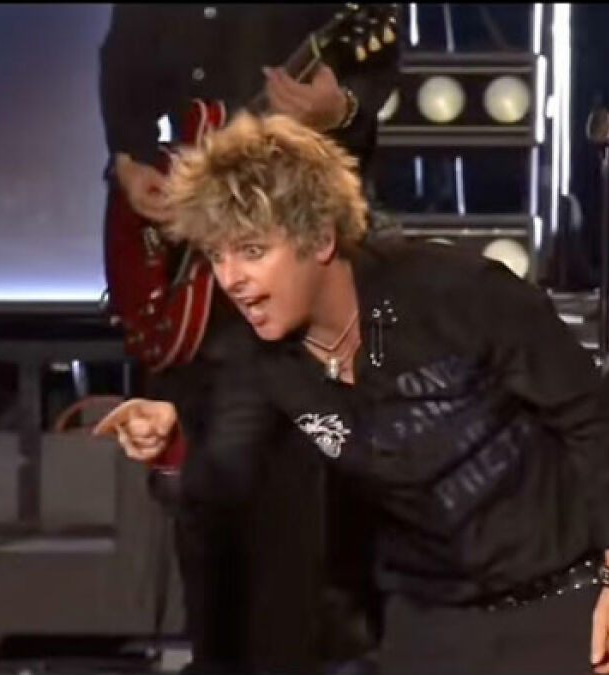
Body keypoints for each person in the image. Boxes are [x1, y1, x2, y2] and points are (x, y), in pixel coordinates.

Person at [94, 112, 609, 675]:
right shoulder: (258, 358)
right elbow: (221, 456)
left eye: (251, 250)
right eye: (217, 256)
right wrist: (170, 431)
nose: (231, 278)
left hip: (567, 603)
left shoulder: (457, 292)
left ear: (318, 238)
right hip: (429, 625)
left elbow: (592, 420)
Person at [97, 6, 399, 674]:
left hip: (288, 251)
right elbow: (119, 64)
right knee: (201, 503)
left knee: (285, 499)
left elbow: (373, 73)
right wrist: (126, 158)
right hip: (184, 273)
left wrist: (338, 107)